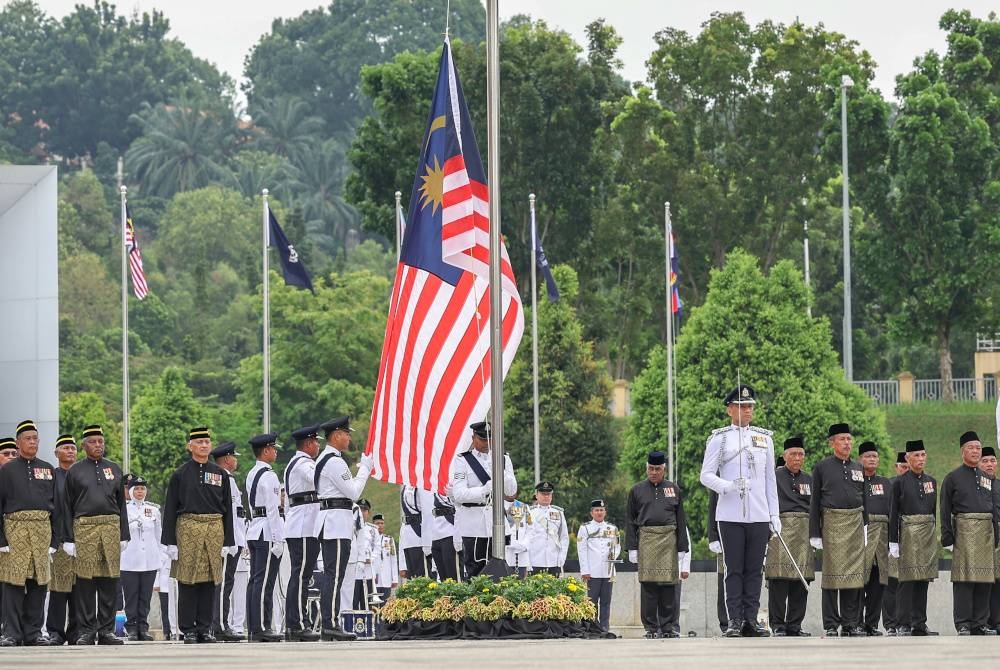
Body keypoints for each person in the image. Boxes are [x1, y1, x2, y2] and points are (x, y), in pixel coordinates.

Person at [700, 384, 779, 637]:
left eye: (750, 406)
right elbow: (706, 475)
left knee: (755, 570)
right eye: (742, 406)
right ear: (730, 410)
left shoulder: (764, 438)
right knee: (733, 570)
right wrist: (728, 486)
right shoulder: (719, 438)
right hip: (730, 514)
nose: (748, 411)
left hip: (758, 513)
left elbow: (770, 481)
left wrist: (774, 515)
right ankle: (734, 620)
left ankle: (751, 619)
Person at [161, 427, 236, 644]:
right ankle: (189, 629)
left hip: (214, 529)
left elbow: (228, 511)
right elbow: (170, 508)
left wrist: (228, 540)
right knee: (188, 580)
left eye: (207, 442)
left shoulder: (221, 474)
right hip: (188, 529)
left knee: (210, 582)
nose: (204, 445)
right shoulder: (180, 474)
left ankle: (205, 628)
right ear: (190, 446)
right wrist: (170, 541)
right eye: (199, 442)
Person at [62, 424, 128, 646]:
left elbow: (122, 505)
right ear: (84, 445)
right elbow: (67, 507)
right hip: (84, 528)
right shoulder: (75, 471)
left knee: (109, 581)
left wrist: (123, 534)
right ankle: (87, 630)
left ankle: (107, 630)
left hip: (110, 527)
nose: (98, 445)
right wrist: (68, 538)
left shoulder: (114, 468)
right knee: (86, 583)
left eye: (101, 441)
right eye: (93, 441)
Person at [0, 420, 58, 647]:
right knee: (14, 583)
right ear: (18, 442)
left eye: (35, 438)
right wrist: (1, 539)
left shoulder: (47, 468)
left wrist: (55, 539)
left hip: (42, 530)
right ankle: (12, 633)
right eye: (28, 438)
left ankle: (32, 633)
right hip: (15, 530)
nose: (32, 442)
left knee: (38, 583)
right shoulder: (6, 471)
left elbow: (57, 507)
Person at [314, 416, 372, 641]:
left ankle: (331, 623)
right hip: (335, 523)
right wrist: (365, 469)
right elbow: (354, 493)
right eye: (347, 434)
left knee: (334, 575)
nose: (349, 437)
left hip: (334, 521)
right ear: (336, 435)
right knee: (334, 576)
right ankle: (330, 624)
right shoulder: (334, 461)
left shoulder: (325, 459)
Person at [810, 423, 867, 637]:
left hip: (854, 524)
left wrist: (866, 524)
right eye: (842, 439)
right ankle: (831, 624)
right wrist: (814, 532)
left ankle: (850, 623)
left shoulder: (858, 468)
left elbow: (864, 499)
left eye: (849, 439)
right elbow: (815, 501)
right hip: (832, 524)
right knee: (832, 577)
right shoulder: (822, 467)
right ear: (832, 442)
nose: (847, 443)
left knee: (853, 575)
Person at [941, 430, 999, 635]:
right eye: (971, 448)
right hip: (964, 532)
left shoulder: (986, 478)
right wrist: (947, 537)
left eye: (978, 448)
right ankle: (964, 623)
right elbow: (945, 508)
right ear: (962, 451)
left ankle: (980, 623)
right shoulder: (952, 478)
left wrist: (996, 533)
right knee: (964, 580)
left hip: (986, 533)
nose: (975, 451)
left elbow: (992, 507)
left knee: (984, 580)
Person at [627, 450, 688, 639]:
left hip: (668, 540)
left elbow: (681, 520)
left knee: (668, 587)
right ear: (647, 468)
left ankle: (668, 628)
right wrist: (631, 547)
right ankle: (651, 628)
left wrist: (681, 547)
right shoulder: (636, 490)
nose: (654, 472)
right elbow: (630, 520)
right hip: (646, 539)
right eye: (651, 469)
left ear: (664, 470)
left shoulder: (674, 489)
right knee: (649, 587)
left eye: (657, 469)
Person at [447, 421, 517, 578]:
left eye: (490, 439)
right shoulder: (463, 460)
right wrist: (484, 490)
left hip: (497, 522)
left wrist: (500, 469)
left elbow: (511, 490)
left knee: (502, 573)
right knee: (475, 573)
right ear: (473, 438)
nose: (487, 443)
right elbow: (458, 494)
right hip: (474, 525)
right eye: (483, 439)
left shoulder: (504, 459)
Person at [765, 436, 814, 637]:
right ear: (785, 456)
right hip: (780, 529)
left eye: (800, 454)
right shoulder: (774, 476)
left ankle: (795, 624)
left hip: (804, 530)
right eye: (793, 454)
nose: (797, 458)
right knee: (779, 580)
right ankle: (777, 625)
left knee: (801, 581)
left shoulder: (809, 479)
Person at [888, 440, 938, 636]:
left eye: (923, 455)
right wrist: (894, 541)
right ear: (907, 458)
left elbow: (933, 511)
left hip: (927, 534)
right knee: (906, 581)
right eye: (916, 455)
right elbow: (893, 513)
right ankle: (902, 623)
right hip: (907, 534)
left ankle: (919, 623)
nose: (920, 459)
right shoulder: (899, 482)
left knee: (923, 580)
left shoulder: (931, 481)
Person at [244, 432, 285, 643]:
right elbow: (273, 510)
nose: (276, 452)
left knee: (255, 581)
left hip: (255, 528)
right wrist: (278, 538)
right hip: (267, 531)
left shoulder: (252, 473)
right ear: (266, 450)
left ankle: (254, 626)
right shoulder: (269, 475)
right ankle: (261, 626)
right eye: (274, 448)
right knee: (264, 582)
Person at [283, 426, 322, 642]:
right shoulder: (304, 464)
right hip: (304, 527)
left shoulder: (294, 463)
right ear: (308, 444)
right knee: (301, 576)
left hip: (300, 525)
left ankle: (295, 623)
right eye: (316, 442)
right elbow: (318, 478)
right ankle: (298, 623)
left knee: (300, 576)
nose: (318, 446)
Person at [209, 441, 246, 642]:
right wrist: (229, 540)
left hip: (234, 537)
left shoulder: (225, 479)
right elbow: (229, 513)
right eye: (234, 456)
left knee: (226, 583)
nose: (236, 460)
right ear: (226, 459)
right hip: (229, 540)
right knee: (223, 584)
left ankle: (220, 623)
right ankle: (221, 625)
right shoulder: (225, 479)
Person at [46, 434, 78, 645]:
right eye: (65, 448)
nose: (70, 451)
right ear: (57, 453)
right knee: (58, 589)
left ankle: (76, 632)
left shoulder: (83, 473)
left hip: (82, 539)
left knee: (80, 590)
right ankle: (56, 632)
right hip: (58, 540)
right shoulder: (51, 476)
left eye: (73, 448)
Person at [120, 476, 161, 641]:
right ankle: (131, 627)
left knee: (145, 596)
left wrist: (162, 557)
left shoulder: (153, 510)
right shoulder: (123, 509)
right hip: (129, 559)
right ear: (130, 491)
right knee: (131, 596)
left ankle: (143, 628)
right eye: (136, 489)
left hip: (149, 559)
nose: (139, 492)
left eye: (142, 489)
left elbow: (158, 536)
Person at [860, 441, 891, 635]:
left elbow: (892, 511)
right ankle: (854, 623)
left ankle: (871, 624)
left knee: (877, 585)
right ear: (859, 459)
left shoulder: (885, 483)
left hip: (881, 539)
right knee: (857, 583)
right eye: (867, 456)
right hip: (860, 538)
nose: (872, 459)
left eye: (874, 456)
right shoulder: (855, 480)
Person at [577, 499, 620, 633]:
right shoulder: (585, 528)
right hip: (593, 571)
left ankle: (605, 627)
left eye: (601, 510)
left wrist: (613, 555)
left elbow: (617, 546)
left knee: (606, 601)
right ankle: (593, 627)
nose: (599, 512)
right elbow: (582, 550)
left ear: (605, 512)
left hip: (608, 571)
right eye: (596, 510)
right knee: (592, 601)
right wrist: (585, 570)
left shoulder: (612, 528)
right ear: (591, 513)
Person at [883, 451, 910, 635]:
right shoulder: (890, 485)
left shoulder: (915, 484)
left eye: (908, 467)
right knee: (891, 583)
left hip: (910, 540)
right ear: (897, 467)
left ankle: (906, 621)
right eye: (903, 467)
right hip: (891, 538)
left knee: (907, 583)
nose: (906, 470)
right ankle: (890, 623)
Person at [526, 481, 569, 577]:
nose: (546, 496)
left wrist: (562, 557)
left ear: (551, 496)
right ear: (536, 495)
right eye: (543, 494)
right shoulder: (529, 512)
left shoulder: (559, 513)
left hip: (554, 560)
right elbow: (526, 537)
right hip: (535, 560)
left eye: (548, 494)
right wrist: (527, 560)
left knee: (554, 591)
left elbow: (564, 537)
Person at [421, 489, 461, 582]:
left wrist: (458, 534)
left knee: (453, 576)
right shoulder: (432, 484)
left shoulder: (451, 478)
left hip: (451, 530)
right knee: (443, 577)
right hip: (436, 533)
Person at [980, 446, 1000, 633]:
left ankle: (997, 621)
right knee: (985, 580)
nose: (989, 464)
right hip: (982, 538)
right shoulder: (976, 486)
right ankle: (984, 621)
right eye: (984, 461)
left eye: (992, 460)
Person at [399, 485, 431, 578]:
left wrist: (427, 542)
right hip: (408, 539)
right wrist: (402, 564)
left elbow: (427, 513)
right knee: (413, 580)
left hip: (420, 537)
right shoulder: (405, 486)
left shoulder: (423, 484)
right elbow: (405, 521)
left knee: (422, 577)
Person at [372, 514, 398, 601]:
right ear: (373, 525)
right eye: (377, 523)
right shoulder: (369, 539)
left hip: (386, 579)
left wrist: (394, 578)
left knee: (385, 605)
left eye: (382, 523)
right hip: (374, 578)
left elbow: (393, 559)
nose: (380, 525)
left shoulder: (389, 539)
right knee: (373, 605)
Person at [505, 498, 531, 578]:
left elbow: (531, 530)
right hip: (502, 556)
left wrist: (524, 545)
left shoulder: (523, 507)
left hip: (520, 558)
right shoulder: (494, 506)